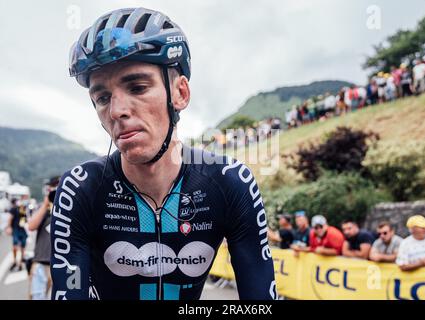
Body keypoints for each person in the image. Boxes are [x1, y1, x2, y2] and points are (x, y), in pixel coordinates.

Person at [51, 7, 276, 300]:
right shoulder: (81, 188)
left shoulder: (230, 182)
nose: (117, 111)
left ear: (180, 94)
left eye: (137, 87)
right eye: (102, 98)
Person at [27, 176, 60, 300]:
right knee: (38, 297)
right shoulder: (43, 209)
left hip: (61, 264)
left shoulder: (70, 208)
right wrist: (46, 203)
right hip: (41, 262)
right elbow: (31, 226)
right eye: (53, 187)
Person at [5, 199, 28, 271]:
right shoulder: (14, 209)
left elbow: (25, 219)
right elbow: (10, 218)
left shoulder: (23, 209)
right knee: (15, 246)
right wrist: (9, 227)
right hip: (16, 230)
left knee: (22, 247)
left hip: (22, 229)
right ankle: (15, 261)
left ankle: (20, 263)